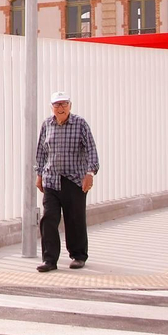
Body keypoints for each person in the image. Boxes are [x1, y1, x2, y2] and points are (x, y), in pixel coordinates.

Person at [33, 91, 99, 272]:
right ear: (52, 107)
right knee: (49, 219)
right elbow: (41, 152)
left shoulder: (80, 124)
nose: (60, 108)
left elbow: (91, 149)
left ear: (70, 106)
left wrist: (90, 173)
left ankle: (78, 256)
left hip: (74, 180)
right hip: (51, 179)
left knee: (75, 219)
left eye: (64, 104)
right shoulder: (47, 124)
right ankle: (49, 259)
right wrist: (39, 174)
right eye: (57, 105)